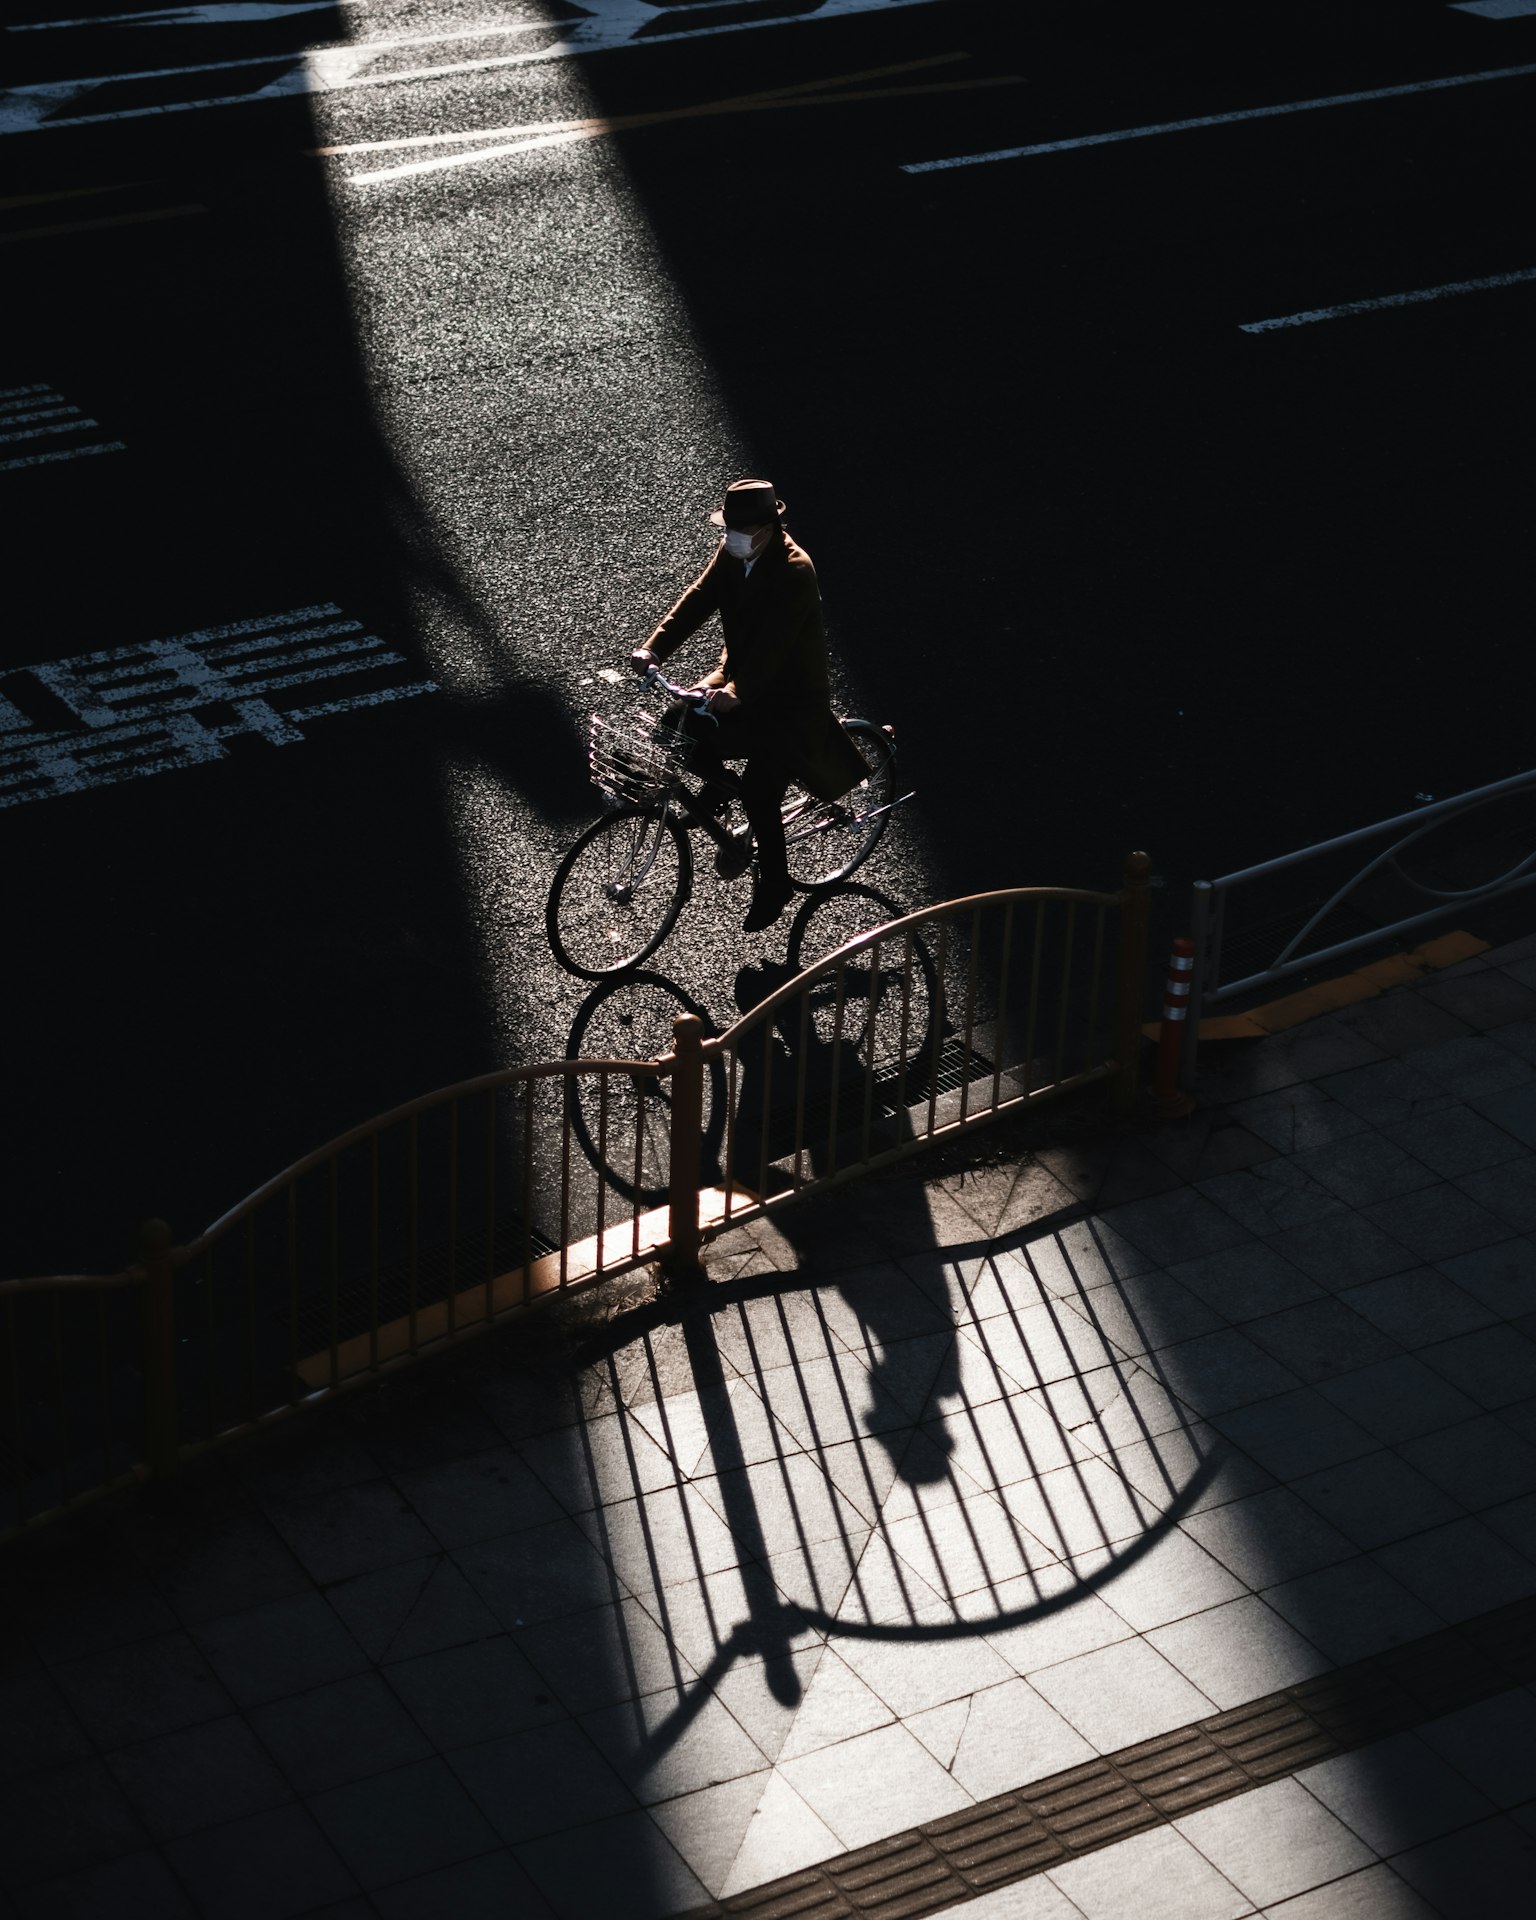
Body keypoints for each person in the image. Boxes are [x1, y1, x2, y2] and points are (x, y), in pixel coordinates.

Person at [629, 478, 867, 932]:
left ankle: (776, 885)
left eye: (740, 530)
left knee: (760, 793)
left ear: (768, 527)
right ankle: (719, 788)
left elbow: (775, 648)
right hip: (740, 676)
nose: (730, 537)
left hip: (788, 699)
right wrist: (655, 647)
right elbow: (698, 598)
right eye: (728, 529)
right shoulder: (734, 554)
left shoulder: (795, 571)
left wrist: (737, 692)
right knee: (676, 722)